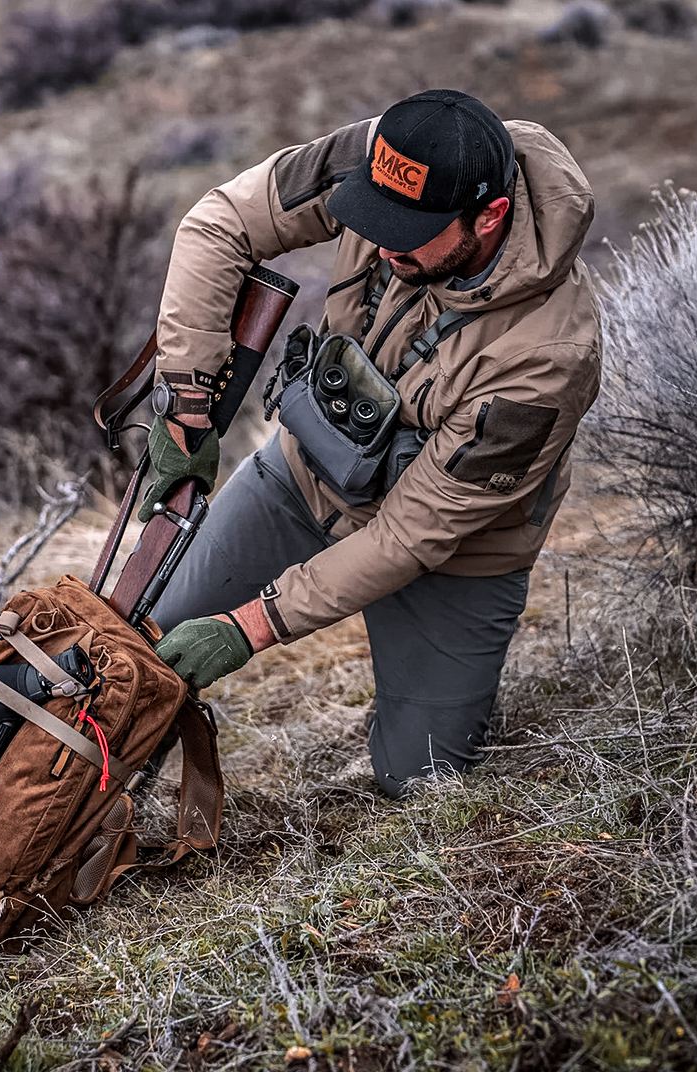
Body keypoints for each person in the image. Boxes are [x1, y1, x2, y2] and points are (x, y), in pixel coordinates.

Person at [142, 89, 602, 798]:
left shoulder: (547, 357)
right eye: (373, 218)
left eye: (408, 231)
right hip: (305, 475)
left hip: (455, 556)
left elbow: (410, 538)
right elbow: (221, 221)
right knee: (141, 651)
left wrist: (254, 625)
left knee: (419, 781)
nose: (383, 242)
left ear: (490, 216)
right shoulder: (393, 159)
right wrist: (187, 407)